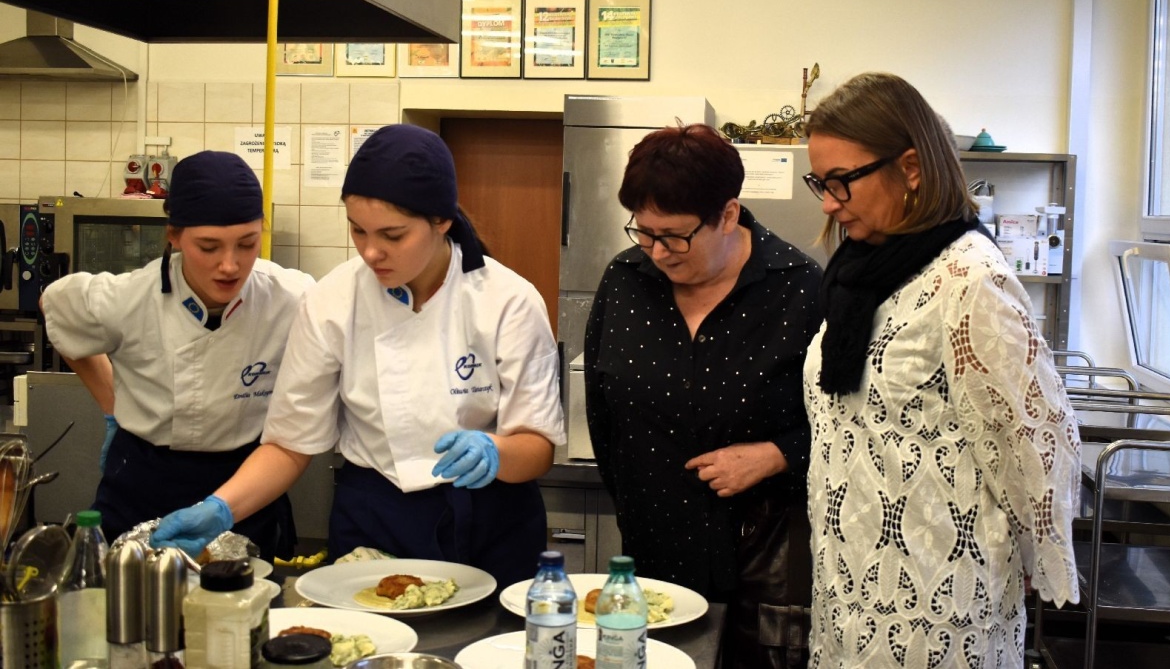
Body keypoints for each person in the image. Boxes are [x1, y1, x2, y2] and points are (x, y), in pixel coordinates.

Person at [151, 124, 565, 589]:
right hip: (374, 517)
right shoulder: (331, 300)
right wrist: (221, 508)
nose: (371, 251)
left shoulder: (506, 299)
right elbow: (290, 442)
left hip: (489, 517)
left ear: (442, 220)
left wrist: (496, 452)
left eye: (392, 235)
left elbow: (538, 445)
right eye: (358, 230)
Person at [800, 72, 1081, 669]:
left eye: (841, 182)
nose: (827, 203)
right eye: (819, 183)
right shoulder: (859, 272)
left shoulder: (970, 280)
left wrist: (1037, 556)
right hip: (850, 591)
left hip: (940, 609)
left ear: (911, 167)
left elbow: (1037, 439)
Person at [584, 123, 823, 668]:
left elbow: (849, 425)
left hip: (764, 567)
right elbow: (603, 411)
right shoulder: (625, 279)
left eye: (675, 235)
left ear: (729, 214)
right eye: (644, 232)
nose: (658, 251)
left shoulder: (799, 288)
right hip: (650, 555)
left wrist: (775, 455)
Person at [40, 151, 315, 558]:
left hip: (245, 482)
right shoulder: (128, 298)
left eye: (247, 244)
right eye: (208, 247)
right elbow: (55, 308)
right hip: (141, 478)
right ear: (174, 237)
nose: (229, 265)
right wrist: (111, 404)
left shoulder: (291, 299)